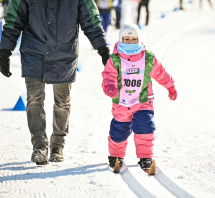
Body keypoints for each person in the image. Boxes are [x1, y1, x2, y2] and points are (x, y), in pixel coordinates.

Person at [0, 0, 110, 165]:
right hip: (33, 52)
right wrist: (4, 50)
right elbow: (14, 20)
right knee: (34, 99)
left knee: (62, 101)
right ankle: (39, 146)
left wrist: (103, 49)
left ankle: (57, 147)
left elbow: (91, 20)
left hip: (64, 54)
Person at [101, 23, 177, 171]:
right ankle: (116, 156)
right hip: (121, 103)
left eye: (133, 39)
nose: (130, 42)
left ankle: (145, 157)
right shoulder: (115, 59)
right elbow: (108, 76)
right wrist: (110, 87)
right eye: (127, 39)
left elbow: (161, 73)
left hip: (142, 102)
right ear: (121, 39)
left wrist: (170, 86)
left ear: (139, 40)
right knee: (119, 131)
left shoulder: (147, 58)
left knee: (144, 127)